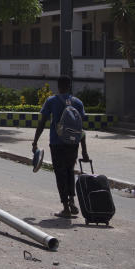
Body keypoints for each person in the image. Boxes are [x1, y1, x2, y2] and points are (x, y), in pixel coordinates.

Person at [33, 75, 89, 218]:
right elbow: (81, 129)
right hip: (73, 144)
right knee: (70, 170)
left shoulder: (52, 101)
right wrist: (84, 150)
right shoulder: (78, 102)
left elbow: (42, 122)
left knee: (60, 173)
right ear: (70, 86)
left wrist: (35, 142)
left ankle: (65, 208)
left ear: (58, 86)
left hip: (57, 143)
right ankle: (71, 199)